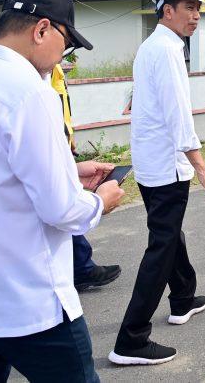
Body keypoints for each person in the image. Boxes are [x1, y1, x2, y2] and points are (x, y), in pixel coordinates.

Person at [0, 0, 126, 382]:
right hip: (27, 301)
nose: (62, 57)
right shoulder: (30, 93)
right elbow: (63, 211)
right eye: (65, 43)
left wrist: (69, 171)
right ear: (42, 30)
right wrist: (100, 201)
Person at [110, 0, 205, 366]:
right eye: (189, 8)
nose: (195, 16)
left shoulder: (155, 46)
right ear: (167, 9)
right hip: (165, 164)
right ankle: (131, 339)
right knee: (161, 245)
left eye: (198, 8)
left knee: (169, 231)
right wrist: (203, 167)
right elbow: (179, 113)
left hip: (152, 161)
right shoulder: (167, 50)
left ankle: (182, 298)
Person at [50, 62, 122, 292]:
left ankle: (81, 267)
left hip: (63, 149)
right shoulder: (32, 83)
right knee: (63, 207)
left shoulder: (55, 69)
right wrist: (99, 204)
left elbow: (62, 109)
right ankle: (81, 268)